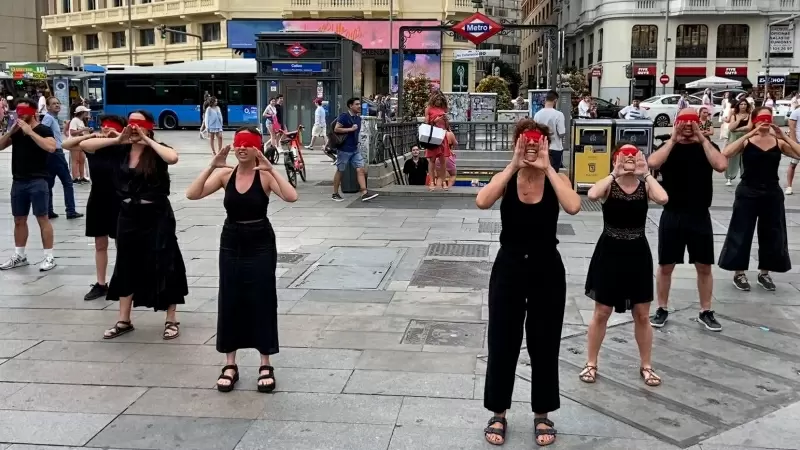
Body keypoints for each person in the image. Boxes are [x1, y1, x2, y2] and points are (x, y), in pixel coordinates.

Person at [476, 119, 581, 447]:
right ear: (516, 144)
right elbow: (482, 200)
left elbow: (574, 206)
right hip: (508, 268)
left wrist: (548, 168)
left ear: (547, 145)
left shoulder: (557, 178)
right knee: (502, 341)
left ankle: (542, 413)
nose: (532, 147)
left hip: (547, 268)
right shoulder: (507, 178)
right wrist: (513, 165)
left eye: (537, 142)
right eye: (525, 142)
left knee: (545, 343)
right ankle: (498, 411)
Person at [185, 127, 298, 393]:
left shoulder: (265, 177)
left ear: (257, 147)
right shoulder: (226, 175)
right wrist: (212, 166)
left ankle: (265, 362)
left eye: (247, 144)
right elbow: (192, 194)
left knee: (262, 297)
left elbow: (292, 196)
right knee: (230, 297)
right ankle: (230, 363)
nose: (241, 148)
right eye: (238, 143)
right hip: (232, 239)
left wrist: (271, 169)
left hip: (260, 240)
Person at [79, 111, 187, 340]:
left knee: (165, 263)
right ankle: (124, 319)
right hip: (127, 214)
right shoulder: (120, 149)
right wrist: (118, 139)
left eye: (140, 125)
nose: (135, 129)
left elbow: (172, 158)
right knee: (126, 264)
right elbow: (85, 144)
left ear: (149, 127)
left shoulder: (157, 149)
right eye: (132, 124)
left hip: (157, 214)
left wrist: (148, 140)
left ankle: (171, 318)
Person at [581, 143, 669, 388]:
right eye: (624, 156)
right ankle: (591, 362)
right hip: (609, 251)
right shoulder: (610, 184)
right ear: (615, 159)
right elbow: (592, 194)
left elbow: (663, 198)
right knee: (602, 312)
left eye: (634, 155)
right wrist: (614, 173)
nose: (629, 159)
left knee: (642, 313)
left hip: (637, 252)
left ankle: (646, 365)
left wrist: (646, 173)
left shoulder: (644, 185)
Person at [647, 108, 728, 332]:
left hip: (699, 214)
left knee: (704, 265)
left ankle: (705, 310)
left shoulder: (707, 146)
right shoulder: (668, 146)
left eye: (691, 123)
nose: (687, 128)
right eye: (683, 123)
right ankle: (662, 307)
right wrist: (673, 139)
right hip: (672, 213)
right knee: (666, 265)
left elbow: (721, 165)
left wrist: (702, 139)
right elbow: (652, 163)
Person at [719, 107, 800, 291]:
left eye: (768, 118)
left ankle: (765, 273)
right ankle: (738, 273)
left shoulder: (778, 142)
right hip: (748, 191)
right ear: (755, 120)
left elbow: (798, 153)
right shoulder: (747, 141)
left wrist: (784, 136)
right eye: (761, 119)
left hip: (771, 192)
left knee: (772, 233)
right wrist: (751, 131)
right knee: (741, 231)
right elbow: (727, 152)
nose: (765, 122)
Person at [63, 115, 126, 301]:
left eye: (111, 127)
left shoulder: (123, 147)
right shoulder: (93, 148)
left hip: (121, 199)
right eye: (104, 127)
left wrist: (118, 136)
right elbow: (67, 145)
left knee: (122, 243)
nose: (107, 131)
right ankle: (101, 283)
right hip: (98, 198)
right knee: (100, 243)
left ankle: (123, 280)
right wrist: (89, 135)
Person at [0, 98, 59, 271]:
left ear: (33, 112)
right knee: (19, 219)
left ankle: (49, 256)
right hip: (18, 180)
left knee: (42, 218)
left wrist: (31, 132)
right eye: (18, 111)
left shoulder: (43, 129)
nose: (20, 114)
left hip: (38, 180)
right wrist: (11, 131)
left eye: (24, 111)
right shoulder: (17, 132)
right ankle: (20, 254)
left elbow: (51, 147)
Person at [41, 96, 82, 220]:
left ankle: (49, 210)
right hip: (55, 153)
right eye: (54, 104)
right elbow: (42, 131)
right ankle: (70, 210)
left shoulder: (52, 118)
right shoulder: (48, 119)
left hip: (51, 153)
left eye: (58, 103)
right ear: (48, 107)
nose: (57, 105)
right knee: (67, 183)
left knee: (49, 183)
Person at [331, 97, 378, 202]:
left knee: (360, 169)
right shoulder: (344, 116)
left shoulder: (358, 118)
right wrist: (350, 129)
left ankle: (364, 193)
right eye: (356, 104)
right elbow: (336, 129)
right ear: (350, 106)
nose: (359, 106)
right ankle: (335, 193)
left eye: (359, 104)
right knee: (340, 170)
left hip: (354, 149)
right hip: (344, 149)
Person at [533, 90, 567, 169]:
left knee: (541, 174)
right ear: (555, 101)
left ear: (545, 100)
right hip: (555, 148)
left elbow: (535, 132)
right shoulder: (559, 115)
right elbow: (561, 133)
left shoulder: (537, 115)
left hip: (541, 148)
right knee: (553, 174)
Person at [725, 99, 753, 185]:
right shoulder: (734, 115)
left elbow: (748, 127)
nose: (743, 106)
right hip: (734, 138)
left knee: (745, 157)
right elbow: (731, 128)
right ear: (738, 105)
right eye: (741, 104)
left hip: (745, 137)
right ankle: (729, 177)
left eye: (745, 104)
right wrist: (738, 120)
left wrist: (737, 129)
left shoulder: (750, 115)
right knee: (732, 156)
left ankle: (744, 176)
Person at [68, 105, 92, 184]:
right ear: (82, 112)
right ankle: (75, 177)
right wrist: (84, 129)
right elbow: (72, 132)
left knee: (82, 160)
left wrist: (86, 130)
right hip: (74, 142)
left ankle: (82, 177)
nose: (87, 113)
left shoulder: (81, 121)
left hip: (80, 142)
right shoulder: (74, 120)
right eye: (86, 112)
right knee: (75, 160)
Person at [786, 105, 800, 195]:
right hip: (798, 142)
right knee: (793, 164)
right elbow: (791, 128)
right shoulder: (796, 112)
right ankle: (789, 186)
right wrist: (793, 142)